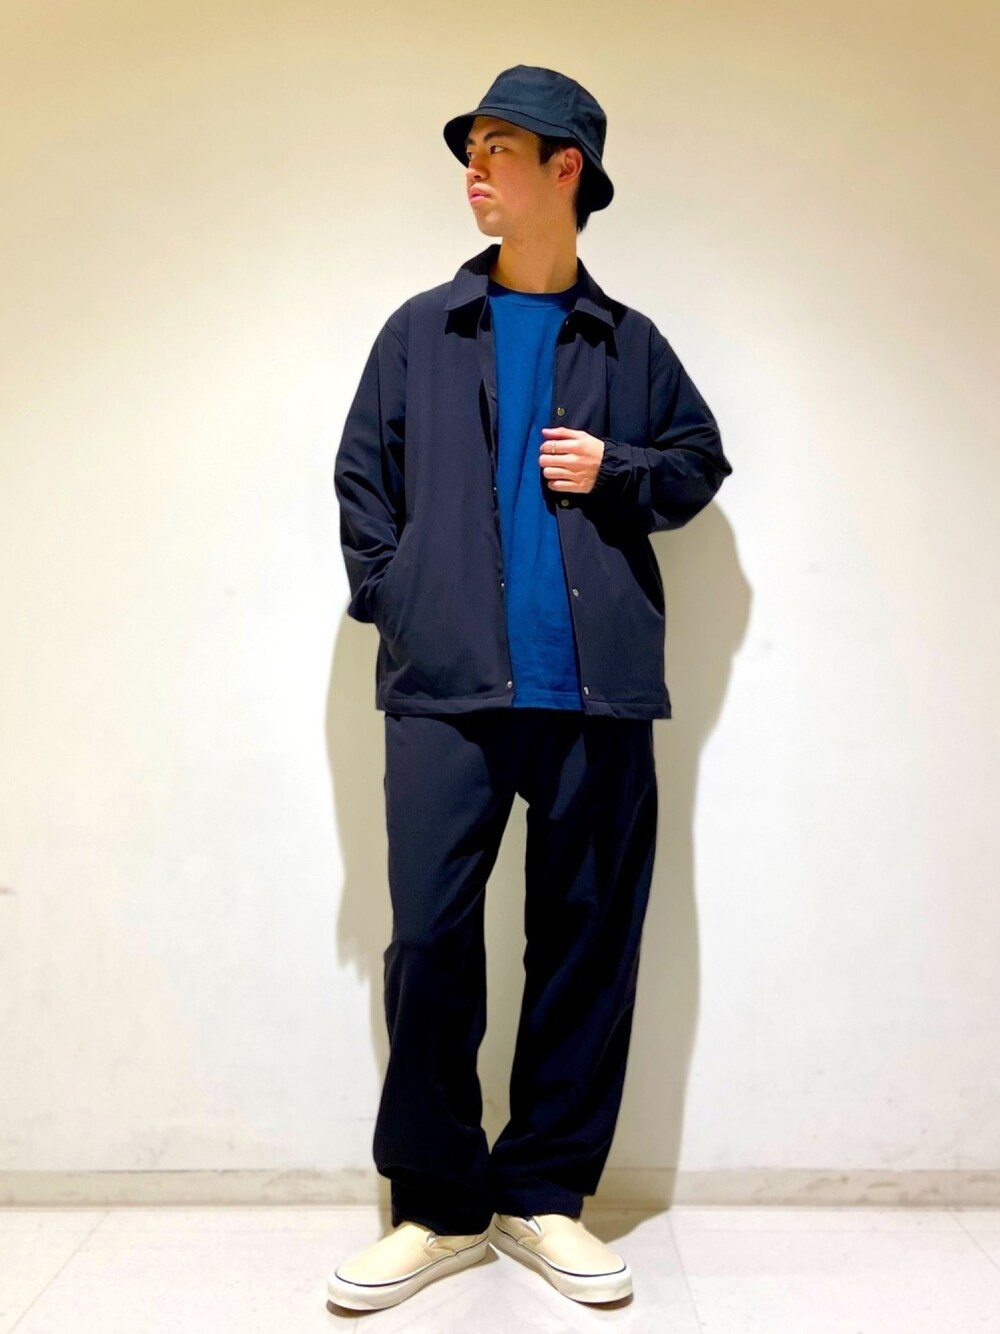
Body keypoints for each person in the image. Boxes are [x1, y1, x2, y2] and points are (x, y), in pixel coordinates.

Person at [327, 64, 732, 1313]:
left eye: (500, 147)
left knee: (585, 944)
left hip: (593, 693)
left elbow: (698, 462)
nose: (475, 168)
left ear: (567, 170)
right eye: (473, 147)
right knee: (431, 942)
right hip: (444, 688)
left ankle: (543, 1192)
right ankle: (438, 1205)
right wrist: (403, 594)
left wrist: (616, 468)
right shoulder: (420, 331)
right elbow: (361, 485)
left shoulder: (629, 342)